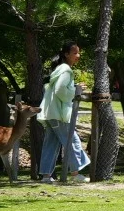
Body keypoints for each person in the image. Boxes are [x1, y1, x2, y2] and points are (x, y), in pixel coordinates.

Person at [34, 41, 86, 183]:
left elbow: (56, 88)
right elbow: (60, 90)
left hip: (50, 113)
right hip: (59, 114)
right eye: (74, 53)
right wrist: (76, 90)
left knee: (51, 143)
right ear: (66, 54)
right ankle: (75, 174)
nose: (78, 56)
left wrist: (73, 87)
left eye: (78, 52)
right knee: (72, 140)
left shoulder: (58, 69)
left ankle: (46, 176)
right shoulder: (66, 70)